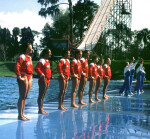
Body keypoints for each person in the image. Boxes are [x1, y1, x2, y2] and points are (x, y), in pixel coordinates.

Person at [15, 43, 33, 120]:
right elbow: (17, 66)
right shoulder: (22, 56)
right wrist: (19, 76)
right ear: (27, 49)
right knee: (22, 96)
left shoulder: (29, 58)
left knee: (25, 96)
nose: (31, 49)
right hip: (23, 76)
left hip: (29, 76)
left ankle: (22, 114)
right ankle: (20, 115)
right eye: (30, 48)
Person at [35, 48, 52, 114]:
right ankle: (40, 109)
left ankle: (42, 108)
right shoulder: (41, 60)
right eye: (49, 53)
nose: (50, 54)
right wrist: (42, 75)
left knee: (43, 95)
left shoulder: (47, 61)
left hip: (47, 80)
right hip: (43, 80)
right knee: (41, 95)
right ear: (46, 54)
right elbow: (36, 68)